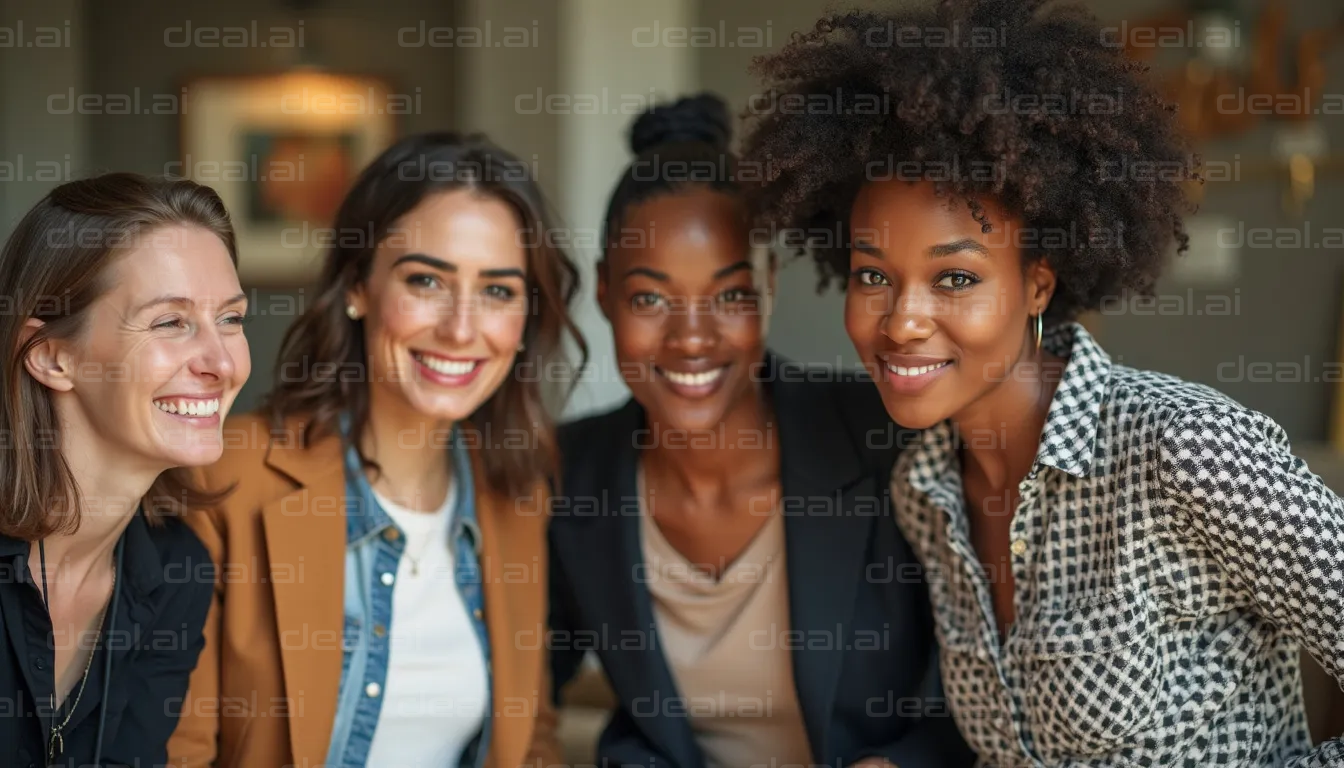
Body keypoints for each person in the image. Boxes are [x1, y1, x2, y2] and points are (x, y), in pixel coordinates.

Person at [741, 0, 1344, 764]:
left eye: (955, 277)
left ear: (1036, 286)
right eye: (873, 276)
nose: (901, 322)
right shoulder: (923, 493)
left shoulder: (1181, 451)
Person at [548, 94, 972, 768]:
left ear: (771, 286)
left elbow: (991, 690)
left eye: (731, 296)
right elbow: (521, 693)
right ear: (603, 293)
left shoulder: (888, 441)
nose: (692, 339)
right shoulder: (569, 472)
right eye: (651, 298)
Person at [167, 132, 583, 768]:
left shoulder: (521, 491)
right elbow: (177, 753)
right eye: (426, 281)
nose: (462, 328)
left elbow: (534, 741)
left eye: (498, 291)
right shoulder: (225, 475)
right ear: (358, 286)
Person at [0, 173, 250, 767]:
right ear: (53, 357)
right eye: (170, 322)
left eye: (233, 320)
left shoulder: (175, 571)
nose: (221, 361)